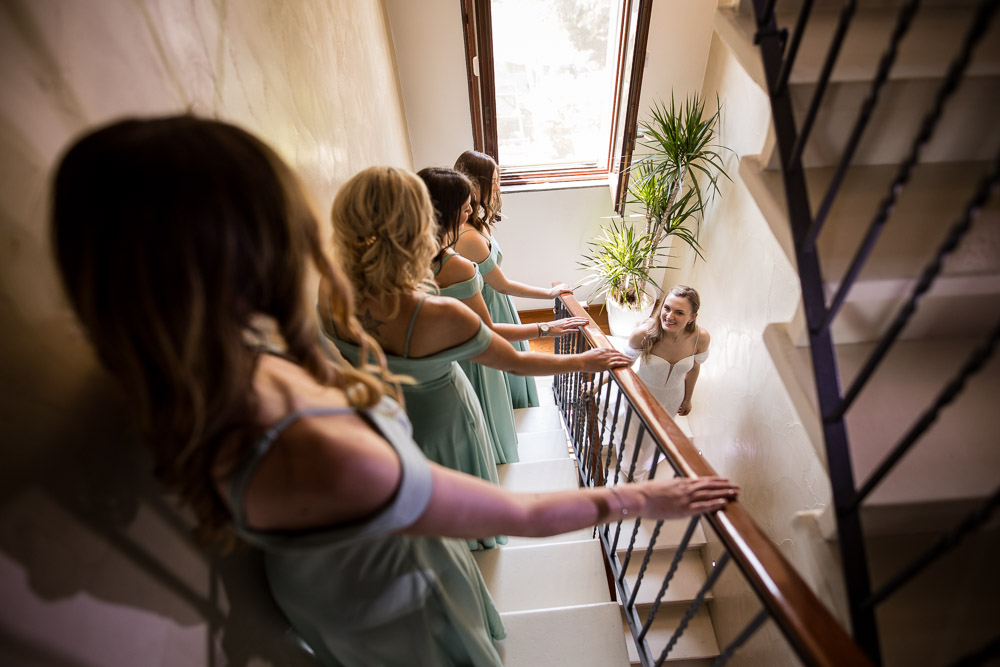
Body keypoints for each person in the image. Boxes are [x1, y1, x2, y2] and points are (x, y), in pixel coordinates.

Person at [51, 115, 738, 667]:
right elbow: (519, 514)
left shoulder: (233, 362)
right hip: (393, 595)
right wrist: (640, 497)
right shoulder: (321, 444)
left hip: (318, 593)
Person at [320, 166, 628, 522]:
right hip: (445, 423)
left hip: (382, 418)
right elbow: (516, 363)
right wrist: (585, 360)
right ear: (421, 222)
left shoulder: (327, 291)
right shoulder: (440, 313)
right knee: (463, 505)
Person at [418, 167, 588, 464]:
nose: (469, 210)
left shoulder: (410, 256)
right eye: (464, 206)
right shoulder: (455, 263)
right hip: (465, 356)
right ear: (446, 211)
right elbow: (487, 331)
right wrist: (547, 328)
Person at [453, 150, 572, 409]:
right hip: (489, 307)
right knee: (505, 366)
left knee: (513, 361)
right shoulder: (469, 237)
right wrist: (548, 294)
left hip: (499, 304)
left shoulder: (478, 225)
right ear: (475, 184)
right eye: (494, 181)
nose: (498, 187)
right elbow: (502, 284)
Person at [615, 286, 710, 481]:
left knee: (655, 438)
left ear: (692, 316)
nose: (669, 316)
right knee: (633, 436)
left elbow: (694, 369)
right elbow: (623, 364)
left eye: (679, 312)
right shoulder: (644, 333)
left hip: (672, 399)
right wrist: (596, 385)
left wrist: (688, 399)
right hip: (641, 395)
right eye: (667, 308)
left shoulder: (701, 338)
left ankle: (643, 468)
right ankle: (628, 468)